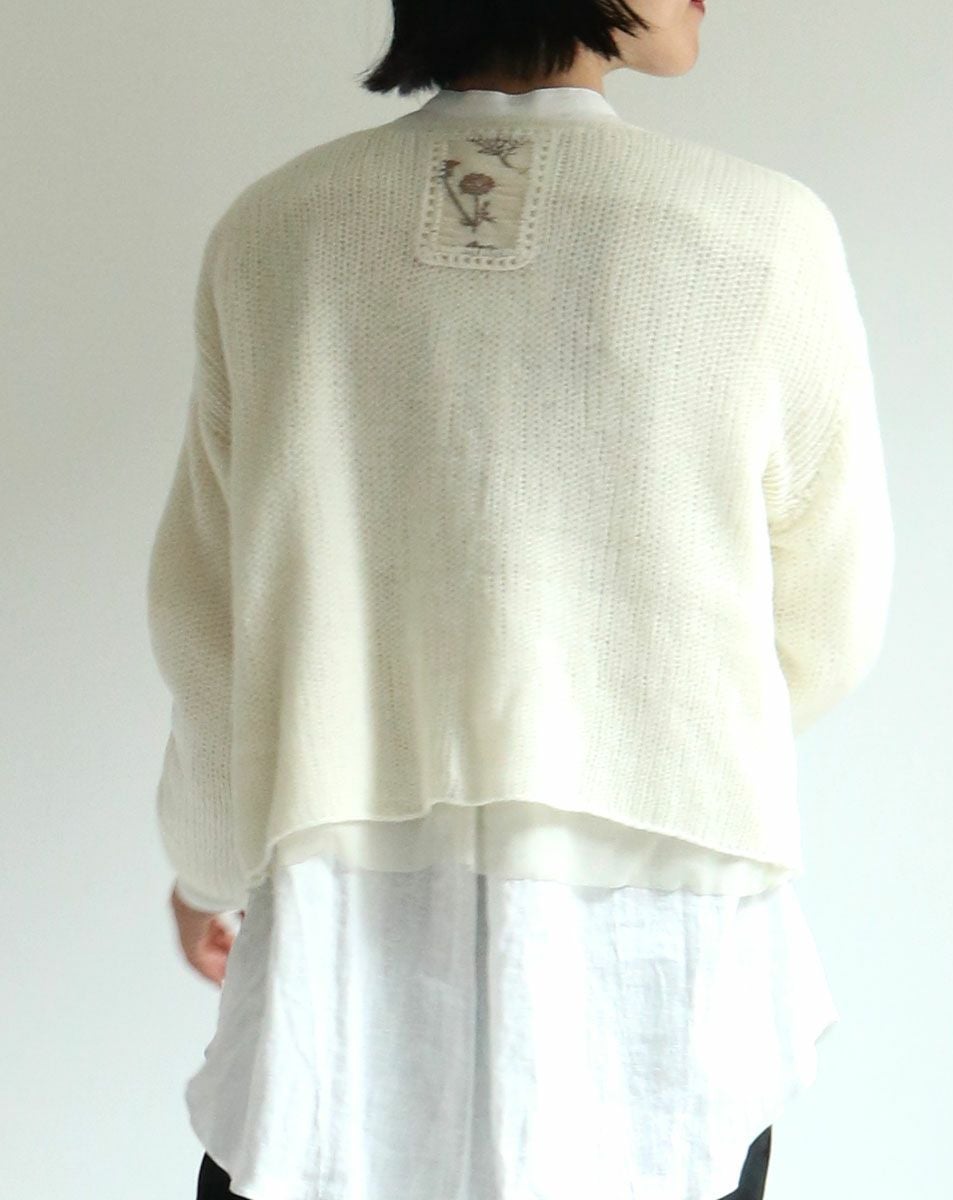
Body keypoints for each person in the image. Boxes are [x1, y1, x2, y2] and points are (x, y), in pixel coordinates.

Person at [149, 1, 895, 1198]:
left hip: (347, 946)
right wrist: (646, 735)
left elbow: (210, 626)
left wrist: (205, 865)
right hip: (661, 955)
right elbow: (827, 620)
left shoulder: (275, 232)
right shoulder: (760, 235)